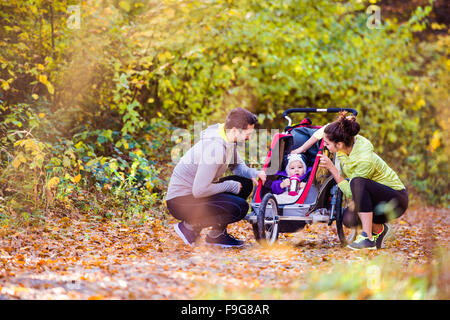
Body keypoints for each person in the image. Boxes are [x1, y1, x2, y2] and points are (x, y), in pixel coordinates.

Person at [291, 113, 408, 250]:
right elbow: (323, 131)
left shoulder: (364, 158)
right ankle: (380, 230)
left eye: (327, 144)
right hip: (376, 198)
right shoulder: (344, 141)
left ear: (339, 144)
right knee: (348, 218)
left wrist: (332, 168)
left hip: (396, 199)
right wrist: (301, 149)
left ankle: (367, 238)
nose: (326, 146)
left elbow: (353, 192)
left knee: (357, 182)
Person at [165, 107, 267, 248]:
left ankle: (217, 235)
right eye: (248, 134)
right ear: (235, 130)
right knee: (240, 208)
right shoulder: (215, 148)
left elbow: (238, 167)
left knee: (246, 184)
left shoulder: (227, 139)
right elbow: (199, 191)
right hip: (181, 201)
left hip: (195, 194)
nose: (249, 138)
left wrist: (255, 173)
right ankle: (189, 227)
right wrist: (230, 185)